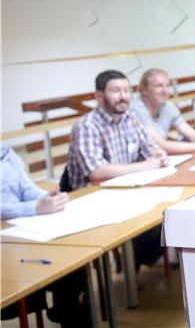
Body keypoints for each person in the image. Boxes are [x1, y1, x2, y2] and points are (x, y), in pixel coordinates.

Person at [65, 70, 168, 267]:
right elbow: (97, 172)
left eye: (126, 90)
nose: (123, 96)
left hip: (127, 191)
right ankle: (130, 267)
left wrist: (158, 154)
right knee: (148, 223)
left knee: (163, 217)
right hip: (93, 200)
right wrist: (146, 165)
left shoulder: (130, 118)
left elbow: (150, 149)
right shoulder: (87, 126)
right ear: (99, 96)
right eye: (115, 91)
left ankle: (135, 264)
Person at [1, 146, 91, 327]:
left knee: (70, 260)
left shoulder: (5, 152)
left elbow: (26, 189)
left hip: (20, 231)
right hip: (6, 247)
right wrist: (36, 207)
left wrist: (48, 198)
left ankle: (70, 316)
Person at [130, 68, 195, 153]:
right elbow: (161, 145)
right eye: (159, 86)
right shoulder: (136, 108)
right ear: (144, 90)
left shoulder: (167, 106)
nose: (165, 91)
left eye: (168, 85)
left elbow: (193, 135)